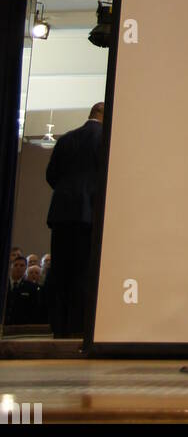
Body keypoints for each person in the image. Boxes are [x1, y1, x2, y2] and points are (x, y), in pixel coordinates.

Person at [45, 102, 104, 337]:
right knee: (83, 273)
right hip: (89, 214)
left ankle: (59, 329)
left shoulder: (66, 139)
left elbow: (51, 175)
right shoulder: (105, 138)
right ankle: (79, 330)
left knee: (60, 272)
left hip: (61, 214)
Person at [4, 254, 41, 327]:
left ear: (26, 268)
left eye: (22, 265)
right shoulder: (3, 285)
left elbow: (34, 309)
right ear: (11, 266)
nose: (18, 267)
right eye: (16, 265)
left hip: (21, 327)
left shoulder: (31, 287)